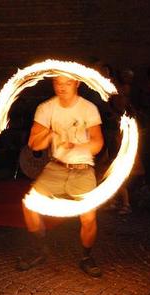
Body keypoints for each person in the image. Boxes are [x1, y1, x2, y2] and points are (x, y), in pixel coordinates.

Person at [17, 75, 104, 277]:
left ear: (77, 83)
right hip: (56, 167)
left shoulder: (88, 108)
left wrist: (76, 146)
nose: (62, 87)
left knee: (89, 217)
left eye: (67, 83)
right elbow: (34, 145)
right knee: (29, 205)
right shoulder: (46, 108)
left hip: (83, 168)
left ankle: (86, 256)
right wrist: (49, 133)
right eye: (57, 82)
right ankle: (39, 249)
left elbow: (98, 143)